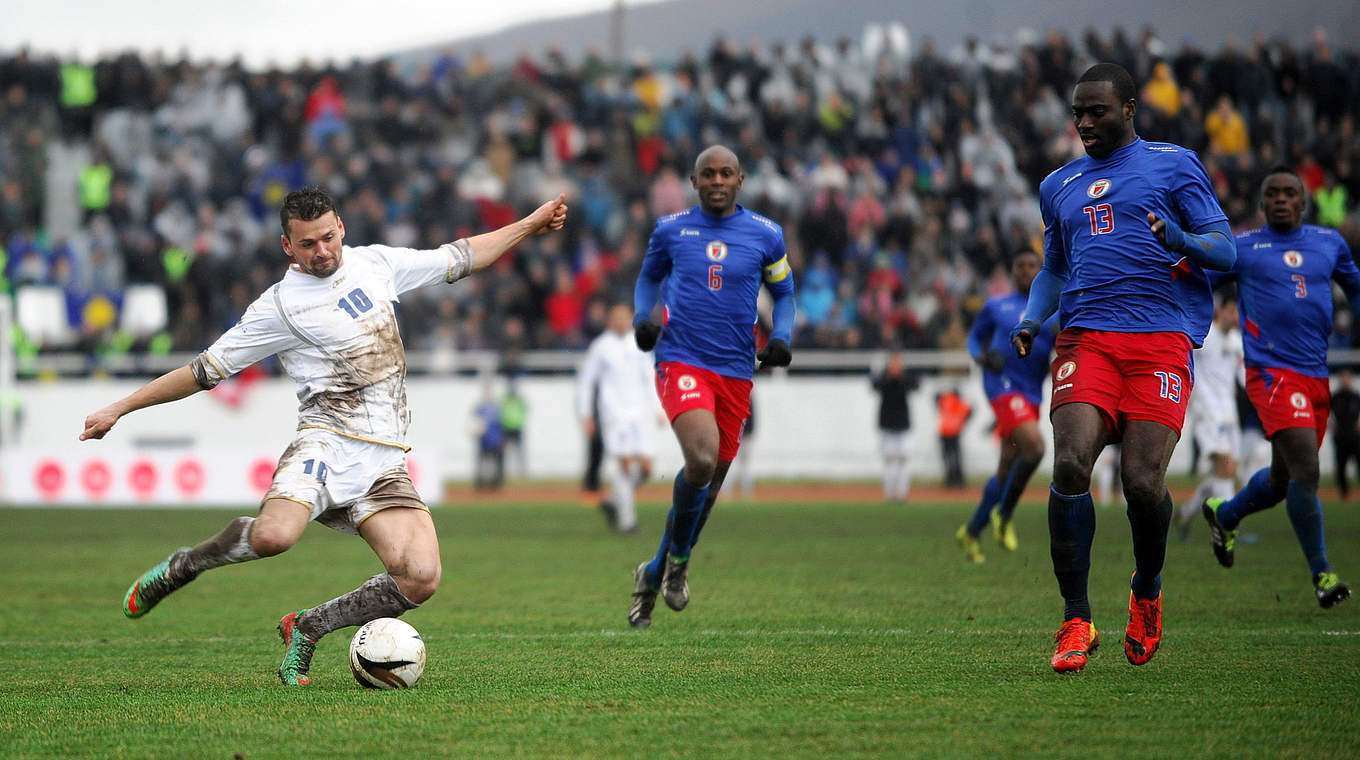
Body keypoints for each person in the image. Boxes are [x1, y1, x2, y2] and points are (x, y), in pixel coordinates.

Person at [81, 186, 568, 684]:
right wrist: (120, 407)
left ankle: (308, 627)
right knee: (274, 537)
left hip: (383, 461)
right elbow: (204, 370)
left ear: (342, 230)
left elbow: (462, 255)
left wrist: (530, 223)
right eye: (308, 243)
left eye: (329, 238)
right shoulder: (279, 307)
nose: (323, 251)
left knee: (420, 578)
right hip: (326, 442)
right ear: (287, 247)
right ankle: (186, 564)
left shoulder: (376, 264)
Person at [1010, 63, 1236, 673]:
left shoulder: (1175, 164)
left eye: (1097, 111)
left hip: (1160, 341)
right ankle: (1076, 619)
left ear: (1130, 108)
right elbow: (1054, 268)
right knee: (1069, 462)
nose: (1083, 123)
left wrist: (1182, 241)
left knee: (1142, 482)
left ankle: (1147, 590)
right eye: (1077, 112)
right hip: (1088, 341)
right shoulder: (1058, 185)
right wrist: (1033, 318)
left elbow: (1226, 248)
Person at [627, 145, 796, 628]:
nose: (717, 180)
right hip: (681, 359)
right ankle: (677, 563)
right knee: (700, 459)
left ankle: (656, 570)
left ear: (740, 179)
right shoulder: (671, 229)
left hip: (736, 371)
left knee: (711, 483)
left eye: (725, 173)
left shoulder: (766, 234)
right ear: (694, 181)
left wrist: (781, 337)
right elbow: (648, 278)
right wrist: (644, 318)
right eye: (708, 174)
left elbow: (784, 292)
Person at [1201, 167, 1355, 609]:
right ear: (1262, 205)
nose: (1282, 200)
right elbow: (1199, 283)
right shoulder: (1244, 248)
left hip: (1315, 374)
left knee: (1280, 479)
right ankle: (1322, 574)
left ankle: (1224, 514)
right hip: (1270, 373)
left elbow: (1356, 286)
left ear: (1304, 203)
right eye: (1273, 194)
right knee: (1307, 468)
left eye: (1291, 193)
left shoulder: (1329, 244)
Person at [957, 249, 1056, 563]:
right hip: (1001, 386)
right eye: (1020, 266)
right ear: (1012, 272)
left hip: (1031, 393)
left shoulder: (1054, 311)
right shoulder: (997, 305)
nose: (1026, 271)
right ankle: (1006, 514)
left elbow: (1065, 345)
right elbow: (974, 339)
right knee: (1036, 448)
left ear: (1041, 271)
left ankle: (972, 532)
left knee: (1007, 466)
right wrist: (982, 357)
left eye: (1032, 266)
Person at [577, 301, 663, 534]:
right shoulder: (601, 346)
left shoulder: (640, 344)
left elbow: (650, 378)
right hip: (614, 417)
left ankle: (614, 501)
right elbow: (587, 383)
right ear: (609, 320)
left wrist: (658, 408)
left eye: (625, 317)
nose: (620, 321)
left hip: (640, 414)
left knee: (645, 469)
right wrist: (587, 415)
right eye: (616, 317)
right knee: (625, 466)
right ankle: (627, 522)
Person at [1176, 293, 1243, 541]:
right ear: (1220, 311)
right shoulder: (1205, 336)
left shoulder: (1237, 341)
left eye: (1237, 312)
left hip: (1229, 413)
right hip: (1207, 411)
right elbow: (1185, 361)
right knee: (1224, 464)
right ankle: (1229, 528)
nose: (1234, 317)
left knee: (1227, 471)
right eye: (1230, 311)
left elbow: (1243, 376)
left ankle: (1185, 514)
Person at [873, 351, 919, 502]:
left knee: (903, 459)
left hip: (902, 425)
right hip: (887, 424)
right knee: (889, 460)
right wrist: (890, 377)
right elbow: (875, 385)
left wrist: (899, 377)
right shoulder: (884, 378)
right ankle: (889, 494)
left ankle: (902, 494)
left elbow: (915, 385)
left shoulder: (906, 378)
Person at [1331, 367, 1360, 501]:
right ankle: (1344, 493)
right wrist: (1331, 425)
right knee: (1341, 466)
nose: (1345, 380)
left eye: (1347, 377)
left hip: (1355, 436)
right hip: (1340, 436)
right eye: (1343, 377)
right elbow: (1328, 414)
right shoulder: (1335, 397)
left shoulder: (1356, 397)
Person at [935, 386, 972, 488]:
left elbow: (936, 397)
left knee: (949, 457)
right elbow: (971, 410)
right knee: (955, 457)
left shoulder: (946, 400)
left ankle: (951, 479)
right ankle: (957, 479)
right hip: (953, 433)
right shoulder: (961, 404)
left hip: (947, 433)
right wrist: (963, 422)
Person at [473, 382, 506, 491]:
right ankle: (481, 483)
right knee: (483, 463)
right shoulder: (480, 408)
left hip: (495, 440)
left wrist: (502, 439)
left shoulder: (497, 408)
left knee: (496, 464)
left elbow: (501, 424)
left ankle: (496, 484)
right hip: (484, 440)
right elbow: (475, 424)